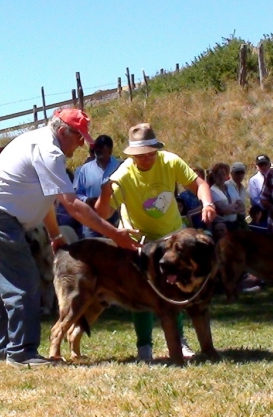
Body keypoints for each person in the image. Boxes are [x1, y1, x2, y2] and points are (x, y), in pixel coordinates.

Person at [0, 108, 140, 368]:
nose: (83, 143)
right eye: (79, 136)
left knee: (2, 287)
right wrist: (114, 234)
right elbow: (72, 205)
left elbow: (47, 198)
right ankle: (22, 353)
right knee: (24, 282)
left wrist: (55, 233)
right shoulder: (50, 151)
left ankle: (4, 348)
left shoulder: (38, 142)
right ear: (62, 131)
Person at [95, 123, 216, 361]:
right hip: (139, 242)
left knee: (178, 290)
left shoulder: (170, 161)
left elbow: (199, 185)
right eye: (142, 156)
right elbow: (102, 213)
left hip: (172, 237)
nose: (148, 158)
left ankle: (180, 342)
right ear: (132, 155)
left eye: (151, 153)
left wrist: (208, 204)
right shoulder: (122, 175)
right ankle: (144, 347)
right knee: (142, 294)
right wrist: (106, 193)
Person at [73, 135, 121, 237]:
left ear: (110, 149)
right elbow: (76, 194)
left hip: (116, 218)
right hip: (91, 218)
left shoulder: (120, 167)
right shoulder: (84, 170)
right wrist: (87, 200)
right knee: (92, 250)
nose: (97, 150)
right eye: (96, 148)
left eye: (101, 148)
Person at [209, 162, 243, 232]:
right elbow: (223, 210)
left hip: (235, 222)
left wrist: (233, 211)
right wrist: (236, 205)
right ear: (214, 176)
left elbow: (242, 206)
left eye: (223, 174)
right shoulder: (212, 190)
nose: (221, 177)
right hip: (221, 225)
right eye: (219, 175)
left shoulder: (230, 187)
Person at [248, 154, 271, 221]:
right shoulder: (254, 180)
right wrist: (267, 207)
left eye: (265, 164)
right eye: (261, 165)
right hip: (261, 212)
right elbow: (254, 199)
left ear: (269, 164)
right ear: (257, 166)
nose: (263, 167)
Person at [227, 162, 249, 228]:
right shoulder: (227, 186)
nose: (240, 175)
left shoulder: (243, 187)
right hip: (230, 220)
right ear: (231, 173)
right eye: (237, 172)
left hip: (241, 219)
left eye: (242, 172)